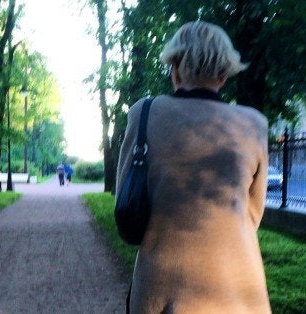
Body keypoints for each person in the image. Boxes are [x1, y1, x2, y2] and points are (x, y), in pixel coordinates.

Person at [116, 21, 271, 313]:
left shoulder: (144, 114)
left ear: (174, 66)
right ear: (223, 74)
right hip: (240, 292)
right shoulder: (254, 124)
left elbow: (126, 200)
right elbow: (253, 213)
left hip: (163, 291)